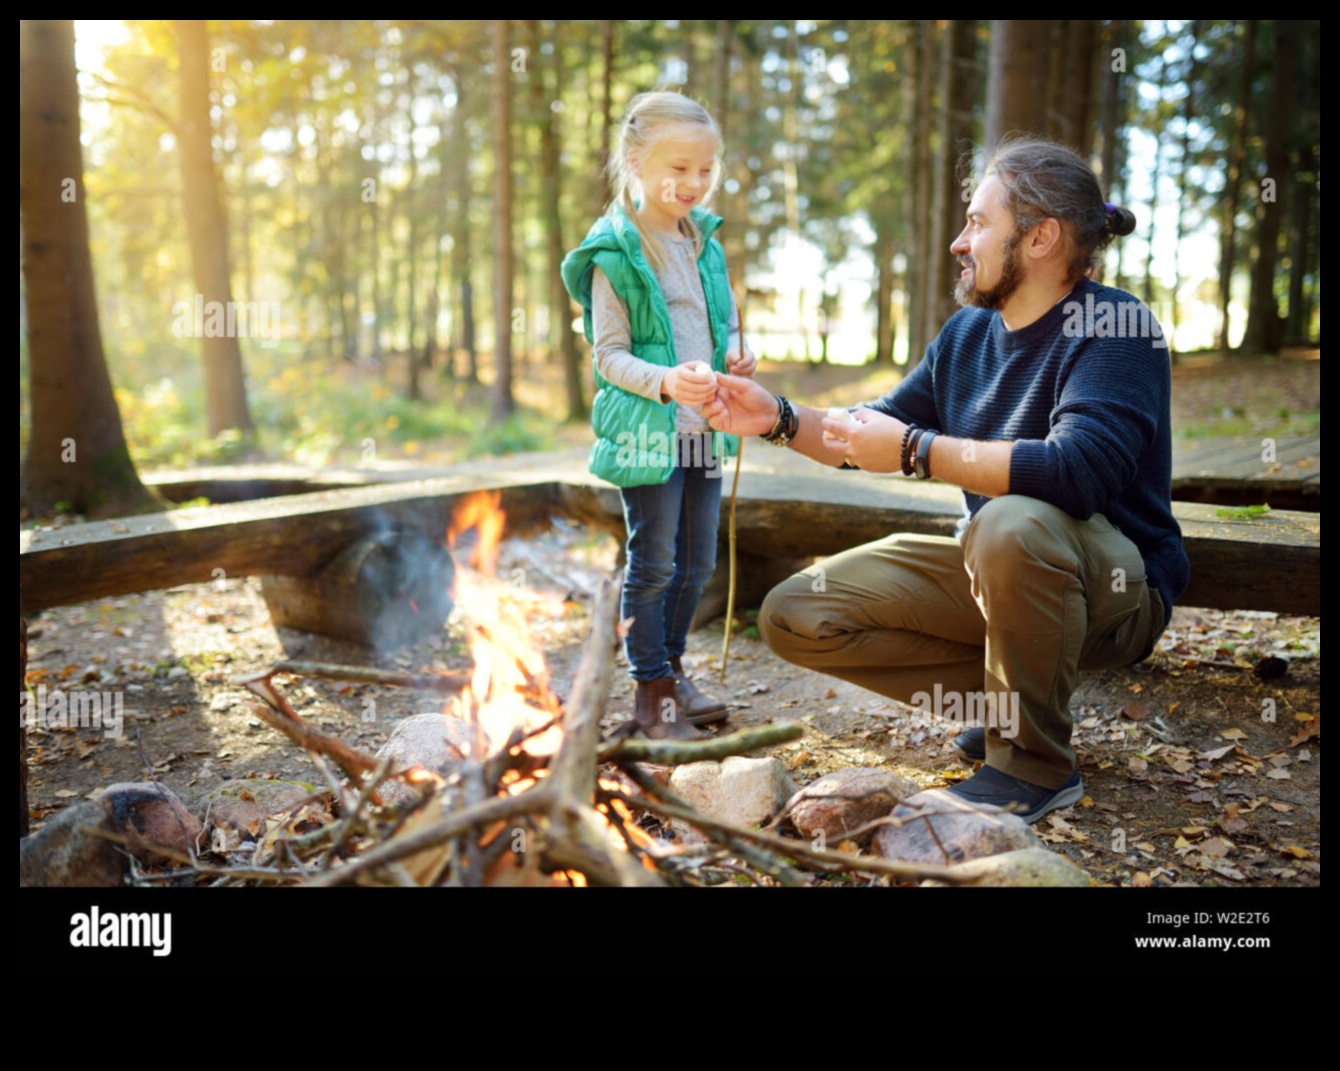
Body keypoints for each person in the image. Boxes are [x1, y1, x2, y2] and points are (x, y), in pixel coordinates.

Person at [703, 137, 1190, 821]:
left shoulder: (1115, 325)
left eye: (979, 222)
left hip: (1116, 588)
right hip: (1005, 568)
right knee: (798, 612)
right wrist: (777, 417)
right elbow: (866, 429)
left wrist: (916, 450)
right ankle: (1005, 704)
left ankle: (1033, 765)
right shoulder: (966, 337)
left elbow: (1079, 472)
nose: (961, 242)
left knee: (1011, 518)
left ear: (1041, 236)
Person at [561, 91, 756, 740]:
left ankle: (675, 671)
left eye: (705, 169)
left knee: (698, 562)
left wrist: (733, 351)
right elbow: (610, 356)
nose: (693, 183)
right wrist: (668, 382)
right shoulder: (614, 252)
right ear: (635, 162)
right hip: (652, 434)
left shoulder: (705, 241)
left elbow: (716, 319)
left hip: (703, 434)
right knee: (656, 562)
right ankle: (652, 693)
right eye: (677, 168)